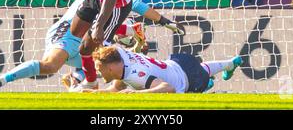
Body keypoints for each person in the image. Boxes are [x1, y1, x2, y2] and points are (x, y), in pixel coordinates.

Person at [0, 0, 182, 93]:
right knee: (50, 66)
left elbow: (118, 29)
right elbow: (134, 5)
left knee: (104, 65)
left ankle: (76, 80)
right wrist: (162, 21)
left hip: (85, 40)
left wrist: (134, 41)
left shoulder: (114, 6)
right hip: (69, 34)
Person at [82, 45, 242, 93]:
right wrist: (93, 93)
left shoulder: (136, 76)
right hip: (180, 62)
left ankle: (206, 85)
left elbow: (168, 87)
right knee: (203, 68)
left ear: (110, 67)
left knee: (201, 75)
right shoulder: (120, 55)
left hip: (188, 80)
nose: (97, 72)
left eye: (99, 68)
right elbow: (114, 90)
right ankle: (230, 63)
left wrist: (137, 93)